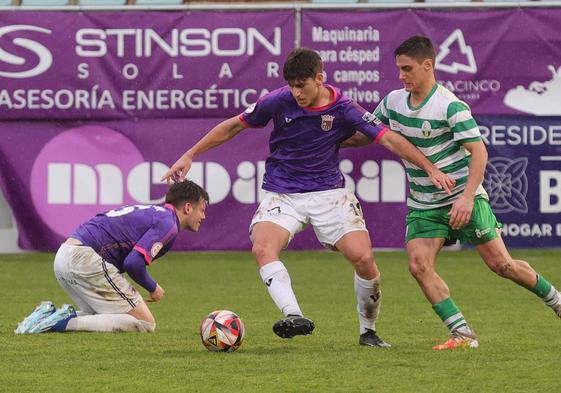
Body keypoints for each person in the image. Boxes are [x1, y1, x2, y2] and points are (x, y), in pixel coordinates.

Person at [161, 48, 454, 347]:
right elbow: (235, 124)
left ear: (319, 78)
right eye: (291, 85)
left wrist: (429, 167)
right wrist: (190, 154)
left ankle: (368, 331)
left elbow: (388, 138)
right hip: (283, 194)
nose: (296, 92)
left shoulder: (343, 108)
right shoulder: (278, 101)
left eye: (301, 85)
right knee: (263, 248)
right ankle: (293, 315)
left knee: (364, 259)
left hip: (329, 194)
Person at [358, 35, 561, 350]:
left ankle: (556, 300)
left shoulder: (449, 105)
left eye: (407, 68)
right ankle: (462, 334)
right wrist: (326, 138)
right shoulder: (393, 102)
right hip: (424, 203)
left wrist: (467, 198)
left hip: (463, 198)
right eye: (398, 69)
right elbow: (370, 134)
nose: (401, 76)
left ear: (428, 65)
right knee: (418, 265)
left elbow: (479, 152)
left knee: (502, 266)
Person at [15, 180, 208, 334]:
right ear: (188, 208)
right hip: (84, 259)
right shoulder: (168, 224)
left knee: (100, 315)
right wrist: (153, 287)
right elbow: (133, 263)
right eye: (202, 209)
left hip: (66, 255)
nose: (204, 216)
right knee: (145, 322)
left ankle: (45, 316)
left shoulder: (157, 214)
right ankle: (60, 323)